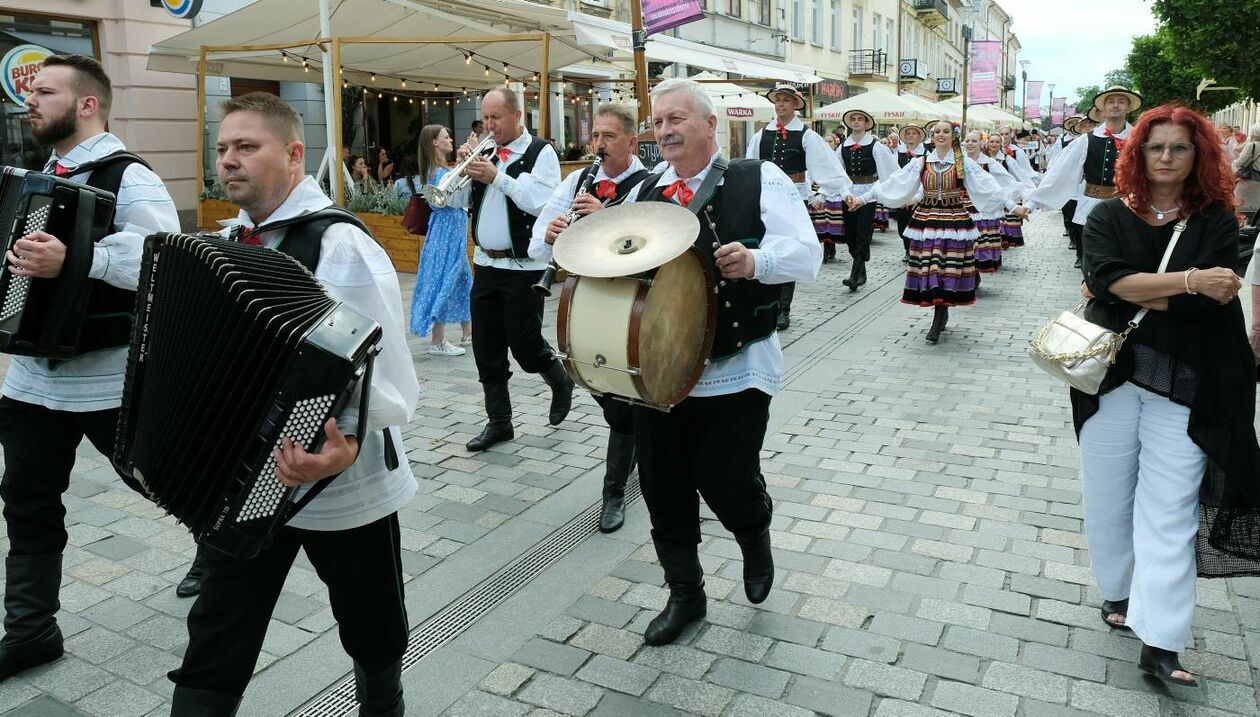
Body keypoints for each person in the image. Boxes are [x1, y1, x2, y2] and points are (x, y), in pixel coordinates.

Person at [167, 92, 419, 715]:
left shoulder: (341, 247)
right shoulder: (224, 242)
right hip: (246, 477)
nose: (228, 160)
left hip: (341, 481)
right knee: (219, 626)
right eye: (223, 148)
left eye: (246, 147)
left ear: (294, 154)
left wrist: (349, 445)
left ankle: (383, 706)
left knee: (372, 620)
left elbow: (383, 371)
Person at [611, 79, 819, 646]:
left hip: (735, 363)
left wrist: (756, 260)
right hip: (660, 370)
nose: (666, 131)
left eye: (677, 118)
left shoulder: (758, 178)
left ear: (710, 124)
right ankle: (686, 595)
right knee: (663, 484)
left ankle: (753, 528)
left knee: (725, 479)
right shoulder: (645, 191)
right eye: (658, 123)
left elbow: (808, 254)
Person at [0, 53, 179, 682]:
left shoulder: (131, 176)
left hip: (106, 376)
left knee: (159, 481)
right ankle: (30, 630)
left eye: (45, 92)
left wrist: (76, 258)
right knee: (25, 501)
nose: (31, 101)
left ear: (86, 104)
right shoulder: (37, 173)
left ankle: (220, 555)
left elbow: (158, 260)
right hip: (30, 378)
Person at [1075, 103, 1260, 688]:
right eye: (1156, 147)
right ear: (1138, 153)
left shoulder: (1216, 220)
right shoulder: (1108, 214)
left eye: (1179, 147)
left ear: (1197, 154)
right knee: (1108, 499)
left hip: (1190, 382)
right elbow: (1105, 278)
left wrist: (1135, 289)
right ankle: (1120, 593)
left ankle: (1161, 640)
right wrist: (1187, 282)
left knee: (1170, 512)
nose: (1166, 157)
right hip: (1111, 378)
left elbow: (1214, 297)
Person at [531, 103, 650, 533]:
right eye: (595, 136)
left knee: (623, 400)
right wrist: (548, 236)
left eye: (609, 137)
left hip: (629, 303)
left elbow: (647, 248)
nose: (598, 145)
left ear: (632, 142)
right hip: (585, 300)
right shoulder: (578, 180)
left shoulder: (647, 186)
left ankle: (613, 490)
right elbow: (537, 242)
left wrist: (605, 222)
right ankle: (632, 439)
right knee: (598, 383)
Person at [446, 87, 571, 452]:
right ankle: (499, 423)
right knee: (486, 345)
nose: (489, 125)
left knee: (526, 344)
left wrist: (496, 175)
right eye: (485, 118)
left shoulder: (539, 152)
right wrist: (460, 169)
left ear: (518, 116)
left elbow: (541, 203)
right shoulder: (485, 152)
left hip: (523, 266)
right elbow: (453, 202)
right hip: (485, 263)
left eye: (495, 118)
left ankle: (559, 379)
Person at [850, 120, 1016, 343]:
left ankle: (939, 316)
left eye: (946, 131)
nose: (941, 135)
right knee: (932, 269)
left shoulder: (962, 162)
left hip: (953, 221)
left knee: (946, 268)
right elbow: (894, 182)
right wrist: (862, 199)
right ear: (932, 136)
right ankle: (941, 309)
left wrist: (1014, 206)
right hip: (927, 221)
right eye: (937, 131)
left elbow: (988, 185)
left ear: (953, 136)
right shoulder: (922, 162)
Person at [746, 84, 851, 329]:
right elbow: (749, 166)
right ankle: (765, 303)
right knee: (761, 246)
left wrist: (842, 192)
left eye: (785, 100)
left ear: (795, 105)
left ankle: (783, 308)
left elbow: (826, 168)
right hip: (763, 198)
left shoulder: (806, 136)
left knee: (788, 248)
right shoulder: (761, 135)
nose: (780, 104)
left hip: (793, 199)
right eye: (778, 100)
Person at [1016, 86, 1142, 270]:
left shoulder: (1139, 138)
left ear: (1129, 107)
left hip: (1129, 207)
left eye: (1121, 101)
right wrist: (1031, 204)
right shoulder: (1086, 140)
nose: (1116, 105)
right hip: (1092, 205)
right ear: (1103, 109)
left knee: (1127, 261)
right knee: (1092, 262)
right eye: (1111, 102)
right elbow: (1060, 173)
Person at [409, 124, 473, 356]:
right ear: (434, 142)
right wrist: (468, 161)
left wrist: (463, 161)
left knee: (463, 280)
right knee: (444, 281)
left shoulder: (441, 169)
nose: (450, 139)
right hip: (446, 233)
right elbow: (455, 198)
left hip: (453, 232)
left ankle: (468, 333)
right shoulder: (437, 172)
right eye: (445, 137)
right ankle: (437, 342)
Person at [836, 109, 898, 291]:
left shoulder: (875, 146)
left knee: (862, 234)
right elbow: (838, 173)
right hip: (848, 194)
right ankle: (861, 271)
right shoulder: (842, 147)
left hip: (868, 195)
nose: (856, 122)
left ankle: (854, 276)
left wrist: (879, 191)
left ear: (866, 124)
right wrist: (842, 192)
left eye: (859, 119)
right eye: (853, 119)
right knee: (850, 236)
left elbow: (888, 171)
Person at [968, 132, 1015, 273]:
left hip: (984, 209)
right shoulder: (958, 162)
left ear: (981, 144)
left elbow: (1007, 181)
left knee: (981, 242)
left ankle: (975, 273)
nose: (970, 143)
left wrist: (1013, 201)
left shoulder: (989, 162)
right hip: (964, 207)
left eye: (974, 141)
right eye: (967, 140)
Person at [892, 124, 928, 263]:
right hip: (902, 193)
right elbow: (894, 174)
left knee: (917, 223)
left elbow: (926, 177)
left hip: (919, 193)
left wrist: (917, 196)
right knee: (902, 225)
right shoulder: (897, 153)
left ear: (919, 136)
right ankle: (907, 249)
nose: (911, 135)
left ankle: (915, 251)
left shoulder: (926, 154)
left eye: (914, 133)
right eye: (908, 133)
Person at [1231, 123, 1260, 219]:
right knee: (1256, 208)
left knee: (1241, 206)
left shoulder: (1252, 146)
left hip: (1249, 180)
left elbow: (1239, 162)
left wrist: (1233, 166)